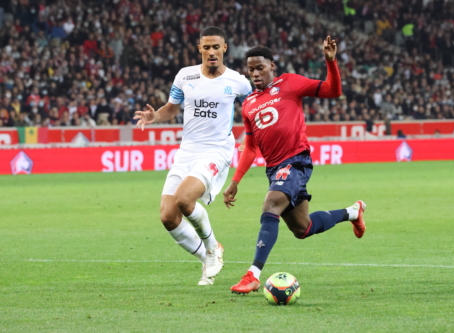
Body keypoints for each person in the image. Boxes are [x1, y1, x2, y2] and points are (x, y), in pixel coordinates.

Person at [223, 38, 367, 294]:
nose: (255, 73)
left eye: (260, 67)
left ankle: (252, 275)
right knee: (303, 228)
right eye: (251, 70)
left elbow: (333, 90)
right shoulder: (248, 104)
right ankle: (353, 212)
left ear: (272, 66)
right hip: (274, 169)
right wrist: (235, 181)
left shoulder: (289, 83)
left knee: (270, 204)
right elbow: (251, 147)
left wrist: (330, 62)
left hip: (295, 160)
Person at [134, 26, 252, 286]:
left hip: (217, 150)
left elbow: (254, 109)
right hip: (188, 150)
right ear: (199, 49)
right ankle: (207, 257)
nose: (211, 52)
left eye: (216, 47)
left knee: (185, 199)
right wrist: (155, 117)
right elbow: (171, 108)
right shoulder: (185, 76)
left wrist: (250, 137)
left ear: (224, 49)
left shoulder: (237, 81)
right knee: (168, 215)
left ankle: (212, 247)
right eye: (206, 47)